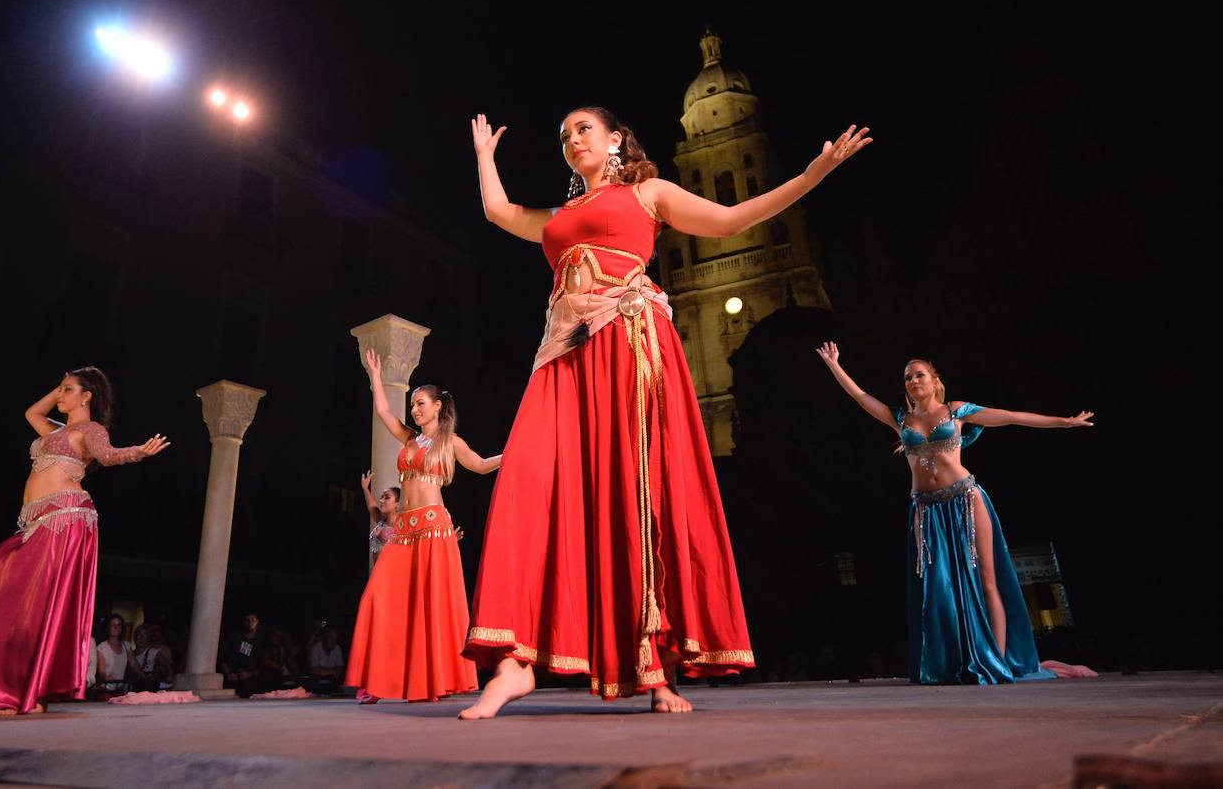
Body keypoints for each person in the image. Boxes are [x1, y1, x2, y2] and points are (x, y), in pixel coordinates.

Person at [460, 109, 871, 718]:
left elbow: (731, 220)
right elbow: (498, 213)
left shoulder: (647, 193)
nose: (571, 140)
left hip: (629, 345)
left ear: (617, 138)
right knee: (528, 482)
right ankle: (517, 664)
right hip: (564, 358)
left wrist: (813, 173)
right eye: (564, 135)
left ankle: (655, 669)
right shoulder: (559, 217)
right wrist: (485, 158)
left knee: (635, 492)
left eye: (583, 129)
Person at [815, 342, 1095, 684]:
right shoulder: (902, 419)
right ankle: (953, 659)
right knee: (938, 587)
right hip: (926, 509)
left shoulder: (956, 411)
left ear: (935, 381)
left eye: (920, 375)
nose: (913, 381)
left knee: (988, 581)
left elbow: (1011, 417)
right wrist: (834, 364)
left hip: (965, 500)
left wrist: (1063, 422)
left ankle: (999, 661)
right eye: (907, 377)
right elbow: (860, 397)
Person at [0, 368, 169, 714]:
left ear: (87, 396)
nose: (59, 396)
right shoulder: (55, 429)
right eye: (59, 390)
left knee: (31, 608)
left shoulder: (89, 430)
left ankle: (21, 693)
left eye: (67, 390)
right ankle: (7, 687)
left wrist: (137, 452)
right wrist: (65, 383)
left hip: (65, 519)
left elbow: (108, 456)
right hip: (35, 525)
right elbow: (31, 413)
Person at [345, 350, 501, 703]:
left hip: (433, 529)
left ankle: (428, 681)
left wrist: (514, 453)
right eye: (413, 404)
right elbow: (384, 411)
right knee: (378, 599)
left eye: (420, 403)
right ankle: (379, 679)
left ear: (437, 408)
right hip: (404, 531)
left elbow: (479, 465)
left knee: (428, 608)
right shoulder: (409, 439)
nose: (414, 410)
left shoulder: (450, 442)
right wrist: (375, 375)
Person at [360, 470, 401, 558]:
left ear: (397, 503)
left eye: (387, 497)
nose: (381, 501)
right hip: (376, 570)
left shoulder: (401, 526)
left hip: (391, 571)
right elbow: (372, 506)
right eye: (381, 497)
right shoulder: (382, 520)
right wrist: (365, 488)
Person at [95, 613, 136, 695]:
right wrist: (105, 676)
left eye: (119, 625)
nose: (116, 628)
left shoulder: (126, 645)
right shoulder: (102, 647)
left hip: (121, 688)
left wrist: (144, 675)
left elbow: (134, 664)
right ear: (107, 628)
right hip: (106, 690)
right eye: (113, 625)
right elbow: (101, 670)